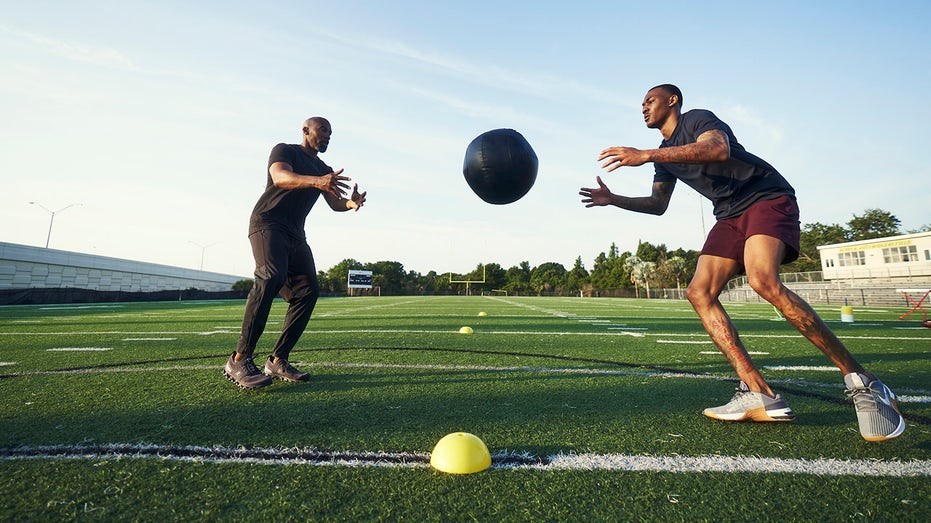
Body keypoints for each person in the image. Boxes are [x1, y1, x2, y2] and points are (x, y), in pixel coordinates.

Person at [579, 84, 905, 442]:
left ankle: (865, 382)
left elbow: (717, 149)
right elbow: (658, 205)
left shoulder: (696, 119)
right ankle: (757, 391)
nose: (643, 108)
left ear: (672, 101)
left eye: (650, 101)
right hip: (729, 215)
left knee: (762, 281)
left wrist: (645, 154)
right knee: (699, 292)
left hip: (764, 197)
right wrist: (613, 199)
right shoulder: (661, 155)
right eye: (641, 104)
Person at [224, 117, 366, 390]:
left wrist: (351, 202)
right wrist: (317, 181)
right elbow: (281, 177)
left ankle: (278, 359)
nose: (327, 136)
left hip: (295, 233)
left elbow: (334, 202)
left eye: (330, 134)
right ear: (305, 130)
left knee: (308, 291)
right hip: (267, 223)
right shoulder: (285, 151)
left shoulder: (322, 168)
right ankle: (240, 359)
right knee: (270, 277)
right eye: (323, 130)